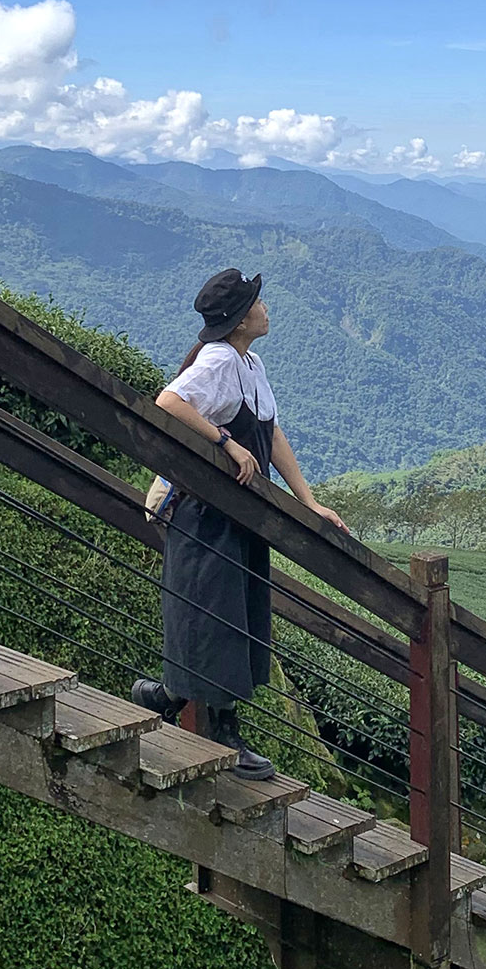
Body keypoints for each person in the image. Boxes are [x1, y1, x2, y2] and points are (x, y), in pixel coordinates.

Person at [132, 267, 347, 780]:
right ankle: (223, 735)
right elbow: (169, 401)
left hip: (237, 514)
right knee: (215, 616)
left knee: (232, 613)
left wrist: (309, 502)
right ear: (239, 320)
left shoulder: (250, 363)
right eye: (258, 303)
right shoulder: (219, 360)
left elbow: (272, 437)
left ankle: (161, 696)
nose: (266, 308)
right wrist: (225, 441)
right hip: (207, 516)